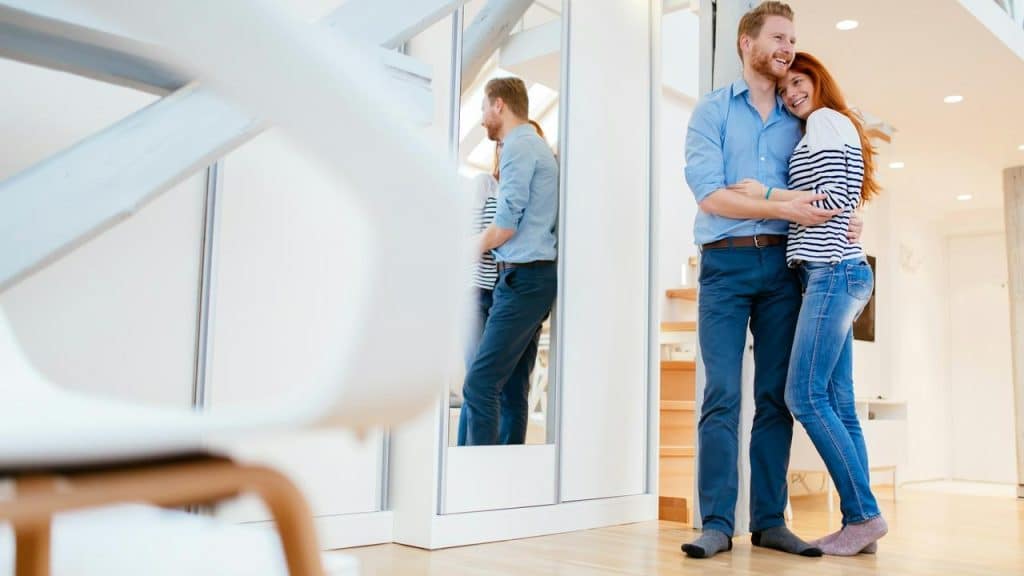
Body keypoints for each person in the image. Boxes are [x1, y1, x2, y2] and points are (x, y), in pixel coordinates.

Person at [681, 1, 863, 559]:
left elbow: (827, 183)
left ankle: (768, 521)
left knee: (775, 398)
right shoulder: (711, 112)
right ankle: (716, 522)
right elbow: (712, 195)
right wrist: (787, 207)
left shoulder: (802, 118)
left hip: (785, 269)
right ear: (746, 42)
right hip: (725, 265)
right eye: (779, 38)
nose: (787, 48)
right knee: (722, 394)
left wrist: (845, 210)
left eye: (792, 40)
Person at [729, 51, 886, 556]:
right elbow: (841, 198)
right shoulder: (828, 125)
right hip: (841, 271)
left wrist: (767, 192)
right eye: (786, 89)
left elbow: (829, 199)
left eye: (800, 82)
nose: (793, 93)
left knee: (804, 397)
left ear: (818, 81)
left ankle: (864, 516)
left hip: (833, 275)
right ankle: (860, 524)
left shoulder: (823, 120)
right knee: (839, 404)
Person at [458, 78, 558, 446]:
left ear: (498, 105)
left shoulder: (518, 146)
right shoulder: (533, 147)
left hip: (524, 280)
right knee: (513, 390)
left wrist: (466, 249)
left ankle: (477, 490)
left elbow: (504, 226)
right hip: (524, 280)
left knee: (479, 385)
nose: (482, 118)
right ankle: (502, 490)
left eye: (483, 108)